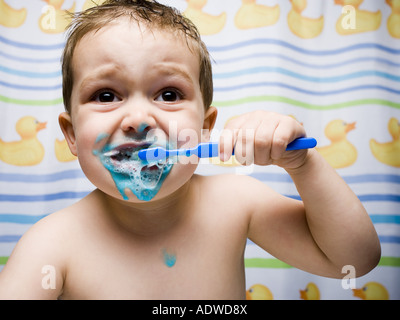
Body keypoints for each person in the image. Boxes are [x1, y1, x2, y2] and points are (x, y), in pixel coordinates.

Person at [0, 0, 380, 299]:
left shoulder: (236, 202)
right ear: (71, 133)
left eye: (168, 94)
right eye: (106, 95)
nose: (138, 119)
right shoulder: (52, 244)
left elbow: (352, 261)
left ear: (204, 128)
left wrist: (303, 164)